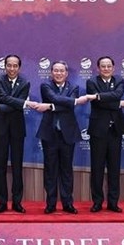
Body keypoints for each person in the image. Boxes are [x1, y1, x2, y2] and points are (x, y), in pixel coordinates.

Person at [86, 56, 124, 213]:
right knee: (97, 168)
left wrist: (100, 96)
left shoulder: (119, 81)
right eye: (103, 66)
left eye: (109, 66)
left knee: (114, 168)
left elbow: (116, 95)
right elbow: (98, 103)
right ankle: (97, 202)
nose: (106, 68)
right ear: (98, 68)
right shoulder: (91, 82)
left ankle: (113, 202)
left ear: (113, 68)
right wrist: (118, 104)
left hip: (115, 130)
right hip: (98, 130)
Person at [35, 61, 90, 214]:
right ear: (51, 72)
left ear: (66, 73)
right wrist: (72, 101)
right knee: (50, 170)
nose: (58, 73)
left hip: (68, 133)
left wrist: (51, 106)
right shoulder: (45, 86)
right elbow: (56, 98)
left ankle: (67, 203)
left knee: (66, 170)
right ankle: (51, 204)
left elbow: (68, 106)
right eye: (56, 71)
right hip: (49, 133)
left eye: (61, 71)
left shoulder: (74, 87)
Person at [0, 54, 36, 213]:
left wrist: (0, 107)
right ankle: (2, 202)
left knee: (17, 166)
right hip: (0, 128)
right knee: (0, 166)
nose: (12, 68)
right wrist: (23, 103)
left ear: (19, 67)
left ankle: (17, 202)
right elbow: (3, 98)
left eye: (15, 66)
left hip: (17, 128)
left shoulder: (25, 82)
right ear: (5, 66)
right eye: (9, 65)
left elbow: (13, 104)